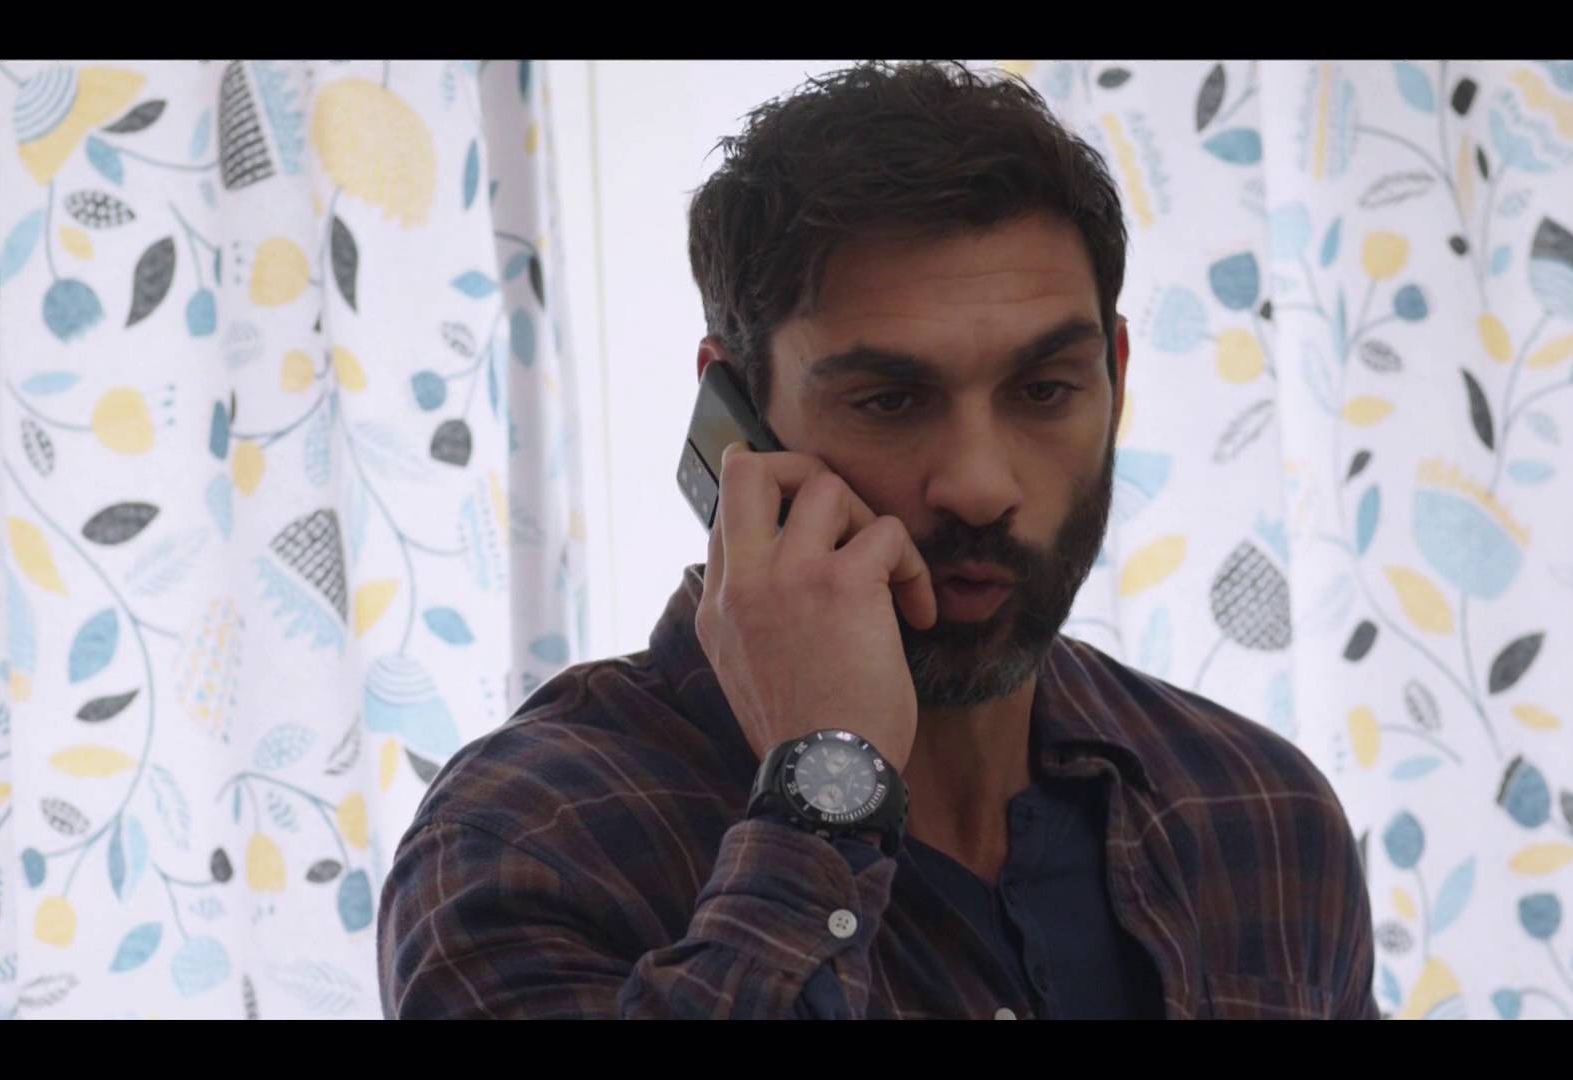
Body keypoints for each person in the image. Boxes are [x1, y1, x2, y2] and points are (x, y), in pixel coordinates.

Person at [379, 59, 1376, 1020]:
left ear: (1113, 376)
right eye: (891, 400)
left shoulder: (1260, 812)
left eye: (1044, 390)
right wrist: (824, 796)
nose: (980, 486)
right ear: (736, 414)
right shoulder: (529, 840)